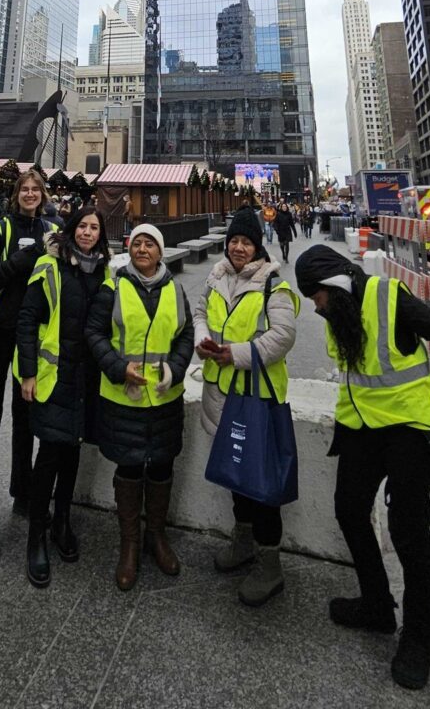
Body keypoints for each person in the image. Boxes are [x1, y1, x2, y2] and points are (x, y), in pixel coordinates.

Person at [294, 245, 430, 690]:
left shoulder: (388, 294)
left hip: (410, 428)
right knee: (349, 509)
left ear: (334, 284)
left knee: (407, 530)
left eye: (316, 295)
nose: (315, 305)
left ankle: (419, 639)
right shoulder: (338, 314)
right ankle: (377, 606)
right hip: (363, 428)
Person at [193, 206, 298, 607]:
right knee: (237, 476)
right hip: (221, 395)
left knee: (260, 483)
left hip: (256, 398)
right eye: (234, 241)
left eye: (246, 242)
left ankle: (270, 564)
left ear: (257, 247)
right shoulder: (217, 276)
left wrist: (233, 354)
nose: (238, 247)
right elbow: (201, 311)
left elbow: (283, 337)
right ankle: (243, 542)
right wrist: (204, 340)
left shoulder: (273, 285)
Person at [86, 224, 194, 590]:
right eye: (137, 243)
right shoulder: (113, 287)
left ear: (161, 252)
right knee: (130, 466)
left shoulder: (176, 290)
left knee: (162, 463)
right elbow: (94, 333)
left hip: (164, 397)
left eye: (150, 244)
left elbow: (186, 336)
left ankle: (156, 536)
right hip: (123, 397)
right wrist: (118, 369)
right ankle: (129, 544)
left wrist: (175, 370)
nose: (142, 249)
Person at [16, 206, 110, 587]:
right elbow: (27, 319)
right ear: (71, 230)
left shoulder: (106, 273)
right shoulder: (50, 266)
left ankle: (63, 523)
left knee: (72, 452)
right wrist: (27, 372)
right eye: (82, 226)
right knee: (50, 455)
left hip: (86, 380)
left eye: (94, 228)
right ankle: (36, 536)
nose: (87, 233)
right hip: (54, 378)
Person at [0, 170, 56, 561]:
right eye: (25, 189)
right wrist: (23, 258)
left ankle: (23, 493)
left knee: (27, 419)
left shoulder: (54, 230)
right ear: (15, 195)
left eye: (36, 189)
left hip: (33, 338)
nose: (31, 194)